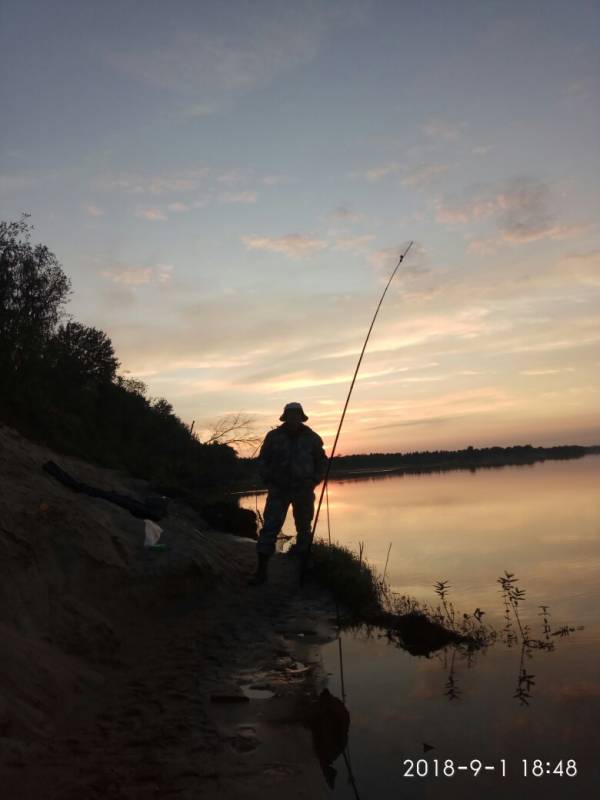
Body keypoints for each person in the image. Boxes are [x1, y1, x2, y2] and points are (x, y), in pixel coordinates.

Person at [248, 402, 327, 585]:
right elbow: (263, 461)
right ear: (285, 416)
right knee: (269, 530)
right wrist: (269, 480)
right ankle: (261, 573)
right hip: (278, 491)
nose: (294, 418)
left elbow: (322, 461)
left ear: (301, 416)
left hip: (304, 492)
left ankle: (303, 572)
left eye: (297, 414)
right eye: (290, 415)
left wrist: (314, 480)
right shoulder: (273, 437)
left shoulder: (312, 438)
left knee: (304, 530)